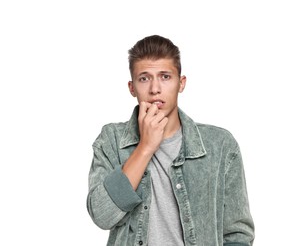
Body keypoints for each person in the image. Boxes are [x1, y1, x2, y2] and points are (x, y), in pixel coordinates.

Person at [87, 35, 255, 246]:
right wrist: (145, 147)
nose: (155, 89)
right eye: (144, 78)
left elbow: (237, 235)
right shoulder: (111, 140)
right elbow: (102, 215)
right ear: (132, 88)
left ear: (181, 83)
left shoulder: (219, 145)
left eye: (165, 77)